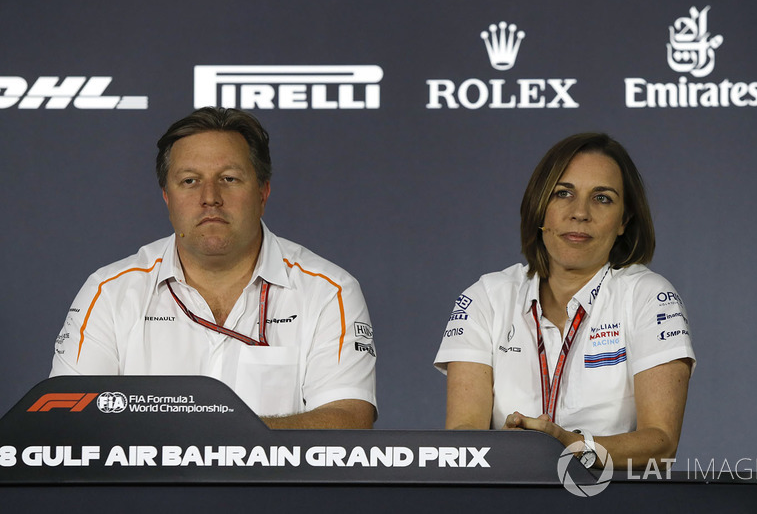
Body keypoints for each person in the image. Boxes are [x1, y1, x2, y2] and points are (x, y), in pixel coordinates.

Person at [51, 107, 376, 429]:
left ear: (263, 192)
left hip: (278, 484)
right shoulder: (109, 292)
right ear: (167, 197)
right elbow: (68, 423)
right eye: (190, 180)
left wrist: (210, 440)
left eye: (229, 179)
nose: (210, 197)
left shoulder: (328, 290)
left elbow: (347, 420)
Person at [434, 133, 695, 469]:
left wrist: (564, 444)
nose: (580, 213)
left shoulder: (650, 297)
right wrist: (508, 448)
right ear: (539, 207)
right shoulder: (485, 296)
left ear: (623, 222)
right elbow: (463, 437)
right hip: (504, 494)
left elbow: (661, 445)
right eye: (563, 193)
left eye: (602, 198)